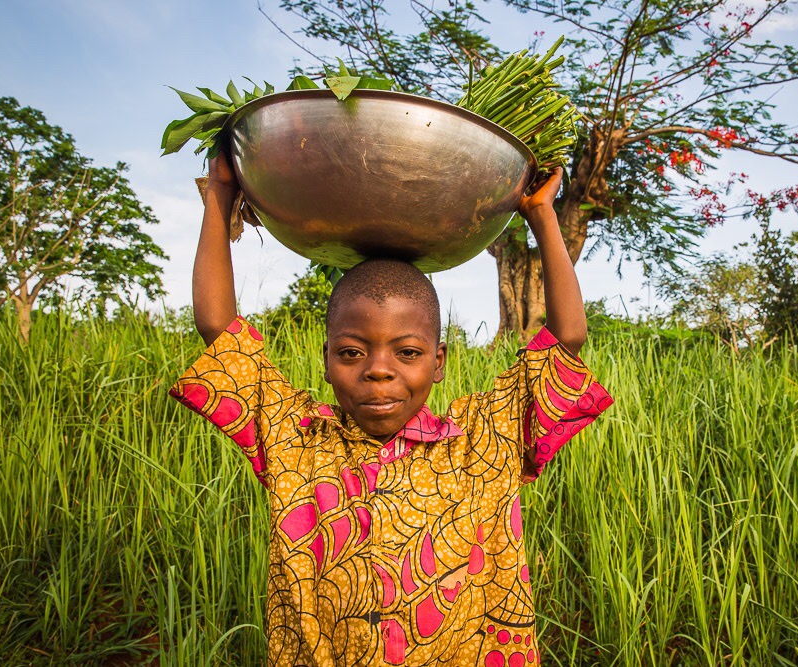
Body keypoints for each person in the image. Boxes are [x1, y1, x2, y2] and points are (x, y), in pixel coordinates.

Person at [170, 152, 613, 666]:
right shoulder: (296, 439)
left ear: (439, 362)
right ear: (327, 358)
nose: (379, 371)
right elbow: (218, 328)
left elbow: (567, 339)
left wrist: (542, 216)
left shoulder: (482, 444)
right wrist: (219, 197)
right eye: (352, 352)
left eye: (407, 353)